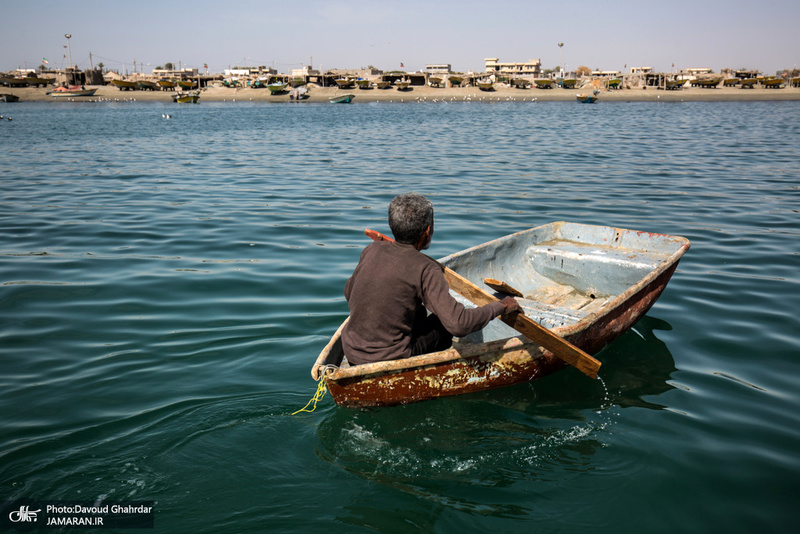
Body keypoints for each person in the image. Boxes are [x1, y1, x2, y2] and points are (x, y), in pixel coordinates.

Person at [342, 193, 521, 366]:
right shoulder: (426, 268)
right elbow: (459, 324)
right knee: (442, 325)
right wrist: (500, 306)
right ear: (427, 231)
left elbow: (349, 293)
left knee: (418, 312)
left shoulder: (372, 250)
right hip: (391, 359)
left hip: (351, 352)